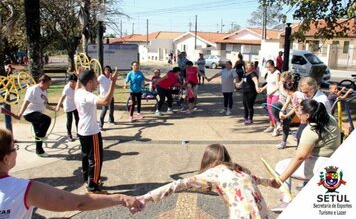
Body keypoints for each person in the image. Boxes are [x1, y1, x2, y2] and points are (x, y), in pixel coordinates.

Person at [0, 129, 143, 218]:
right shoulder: (23, 189)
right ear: (6, 159)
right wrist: (121, 198)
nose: (16, 151)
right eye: (14, 148)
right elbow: (79, 203)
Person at [138, 143, 277, 218]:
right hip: (262, 212)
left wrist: (147, 197)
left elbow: (178, 184)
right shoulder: (238, 169)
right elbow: (260, 180)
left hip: (242, 214)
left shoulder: (213, 173)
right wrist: (272, 182)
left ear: (207, 159)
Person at [272, 100, 340, 212]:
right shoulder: (328, 117)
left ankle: (286, 201)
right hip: (334, 160)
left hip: (323, 167)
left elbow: (299, 157)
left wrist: (280, 179)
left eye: (298, 110)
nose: (297, 112)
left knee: (281, 166)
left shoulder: (311, 130)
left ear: (307, 115)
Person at [75, 68, 118, 193]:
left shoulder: (78, 91)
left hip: (82, 130)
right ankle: (93, 186)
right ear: (88, 82)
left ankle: (87, 180)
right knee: (96, 160)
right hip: (91, 132)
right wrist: (113, 82)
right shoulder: (88, 95)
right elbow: (106, 101)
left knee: (85, 157)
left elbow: (80, 83)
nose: (97, 83)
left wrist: (79, 75)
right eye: (95, 80)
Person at [18, 75, 54, 157]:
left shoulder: (44, 91)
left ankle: (39, 151)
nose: (49, 86)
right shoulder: (33, 89)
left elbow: (45, 104)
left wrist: (53, 109)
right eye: (48, 84)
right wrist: (20, 113)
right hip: (29, 113)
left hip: (37, 113)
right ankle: (41, 135)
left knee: (38, 132)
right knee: (46, 120)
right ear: (42, 82)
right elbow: (26, 102)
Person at [276, 74, 304, 149]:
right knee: (299, 134)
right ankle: (299, 148)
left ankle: (300, 149)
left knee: (300, 134)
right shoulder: (291, 95)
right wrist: (281, 111)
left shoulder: (297, 95)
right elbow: (287, 103)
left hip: (305, 118)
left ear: (286, 89)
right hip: (302, 118)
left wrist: (286, 115)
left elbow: (299, 106)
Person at [55, 74, 79, 141]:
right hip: (68, 106)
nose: (75, 84)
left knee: (77, 119)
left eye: (76, 82)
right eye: (73, 82)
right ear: (71, 81)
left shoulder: (77, 86)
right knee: (69, 120)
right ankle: (69, 134)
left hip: (75, 105)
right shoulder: (67, 88)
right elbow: (62, 98)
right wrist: (58, 106)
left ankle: (79, 133)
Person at [270, 71, 294, 137]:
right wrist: (271, 92)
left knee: (286, 122)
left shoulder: (291, 86)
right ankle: (278, 123)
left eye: (284, 82)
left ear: (289, 80)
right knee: (273, 106)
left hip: (290, 105)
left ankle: (284, 140)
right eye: (281, 81)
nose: (282, 83)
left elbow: (288, 102)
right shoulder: (280, 83)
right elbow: (278, 86)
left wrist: (281, 111)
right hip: (282, 101)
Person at [259, 60, 280, 132]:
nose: (268, 69)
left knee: (273, 111)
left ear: (273, 65)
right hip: (269, 94)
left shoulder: (277, 73)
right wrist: (263, 88)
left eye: (269, 67)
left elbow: (278, 86)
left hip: (275, 94)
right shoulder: (268, 73)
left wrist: (271, 92)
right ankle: (271, 125)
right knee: (269, 111)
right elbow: (268, 83)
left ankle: (276, 128)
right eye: (267, 67)